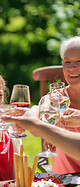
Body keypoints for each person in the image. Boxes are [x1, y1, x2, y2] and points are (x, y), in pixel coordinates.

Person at [47, 36, 80, 174]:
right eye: (67, 62)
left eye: (79, 61)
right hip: (66, 182)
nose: (72, 67)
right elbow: (40, 109)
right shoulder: (57, 99)